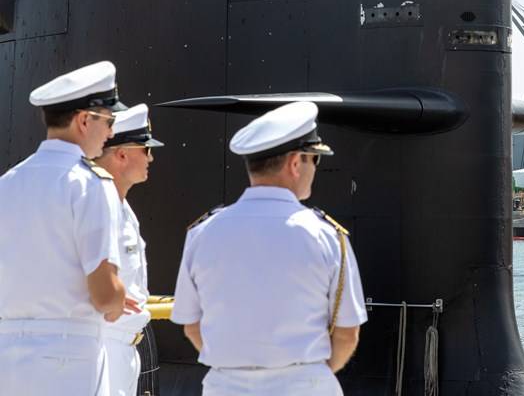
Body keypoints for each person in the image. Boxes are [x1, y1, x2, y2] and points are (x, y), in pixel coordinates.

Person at [171, 101, 367, 396]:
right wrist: (304, 376)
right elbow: (347, 333)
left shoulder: (202, 233)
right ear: (295, 162)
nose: (315, 168)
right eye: (314, 159)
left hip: (225, 387)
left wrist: (234, 367)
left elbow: (191, 325)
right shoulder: (326, 237)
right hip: (303, 386)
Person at [0, 61, 137, 396]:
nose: (110, 134)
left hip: (10, 360)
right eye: (109, 121)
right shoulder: (91, 185)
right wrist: (120, 298)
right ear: (84, 120)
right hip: (70, 361)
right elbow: (104, 295)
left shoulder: (8, 183)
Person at [94, 103, 164, 396]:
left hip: (125, 350)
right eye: (145, 149)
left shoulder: (122, 208)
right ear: (122, 154)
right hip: (103, 346)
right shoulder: (95, 204)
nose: (152, 157)